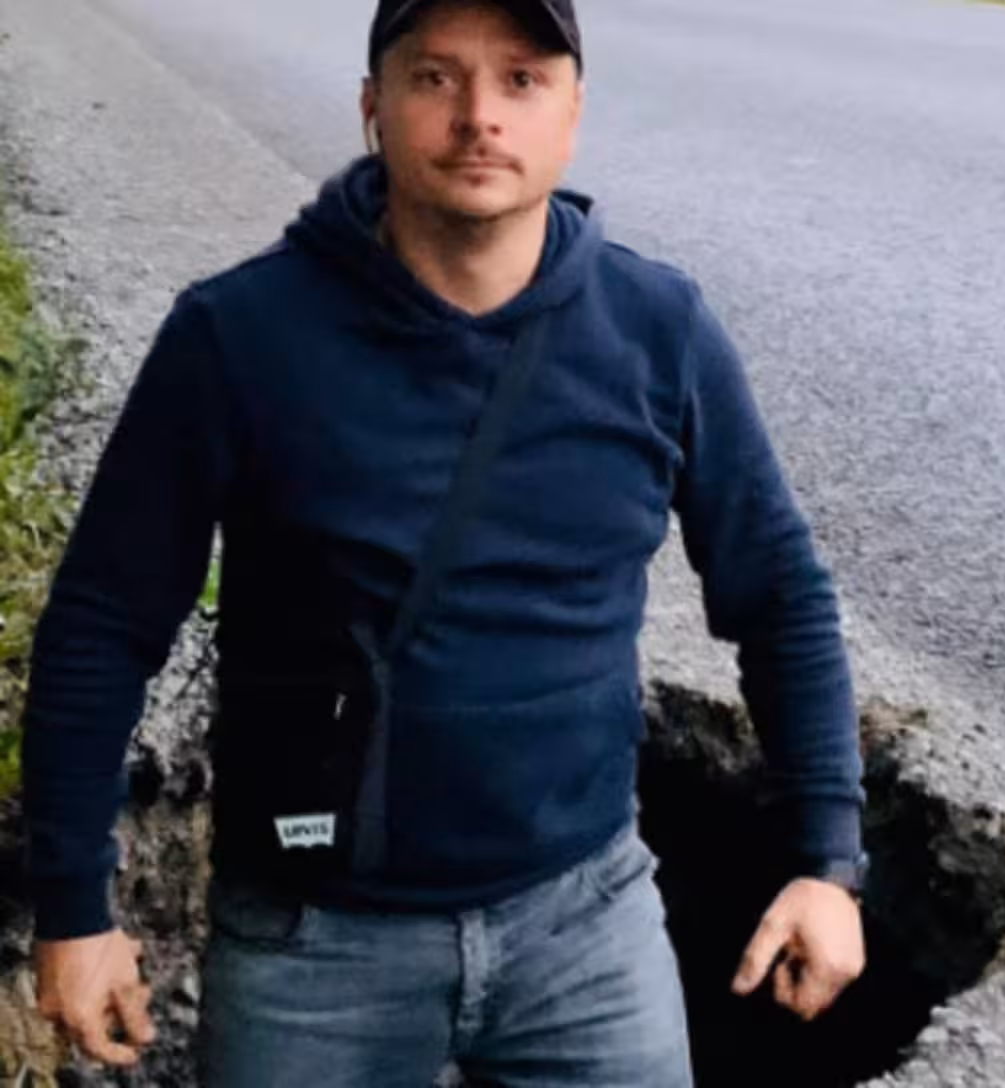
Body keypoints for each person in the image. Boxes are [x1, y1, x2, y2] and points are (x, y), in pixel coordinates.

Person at [20, 0, 869, 1084]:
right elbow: (103, 622)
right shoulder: (238, 337)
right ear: (372, 107)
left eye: (521, 79)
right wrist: (74, 908)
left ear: (572, 113)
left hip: (587, 928)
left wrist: (827, 860)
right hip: (311, 944)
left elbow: (781, 595)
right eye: (435, 77)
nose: (479, 117)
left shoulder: (660, 330)